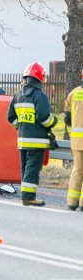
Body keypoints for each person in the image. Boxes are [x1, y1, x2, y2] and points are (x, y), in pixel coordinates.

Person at [7, 62, 58, 207]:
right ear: (40, 77)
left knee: (25, 169)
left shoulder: (17, 95)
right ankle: (28, 198)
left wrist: (21, 126)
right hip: (36, 141)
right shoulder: (39, 95)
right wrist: (54, 121)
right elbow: (44, 118)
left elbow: (10, 117)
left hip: (22, 140)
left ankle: (26, 195)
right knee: (32, 169)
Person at [64, 73, 83, 211]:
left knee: (77, 171)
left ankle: (72, 202)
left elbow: (67, 118)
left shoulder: (74, 93)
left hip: (77, 141)